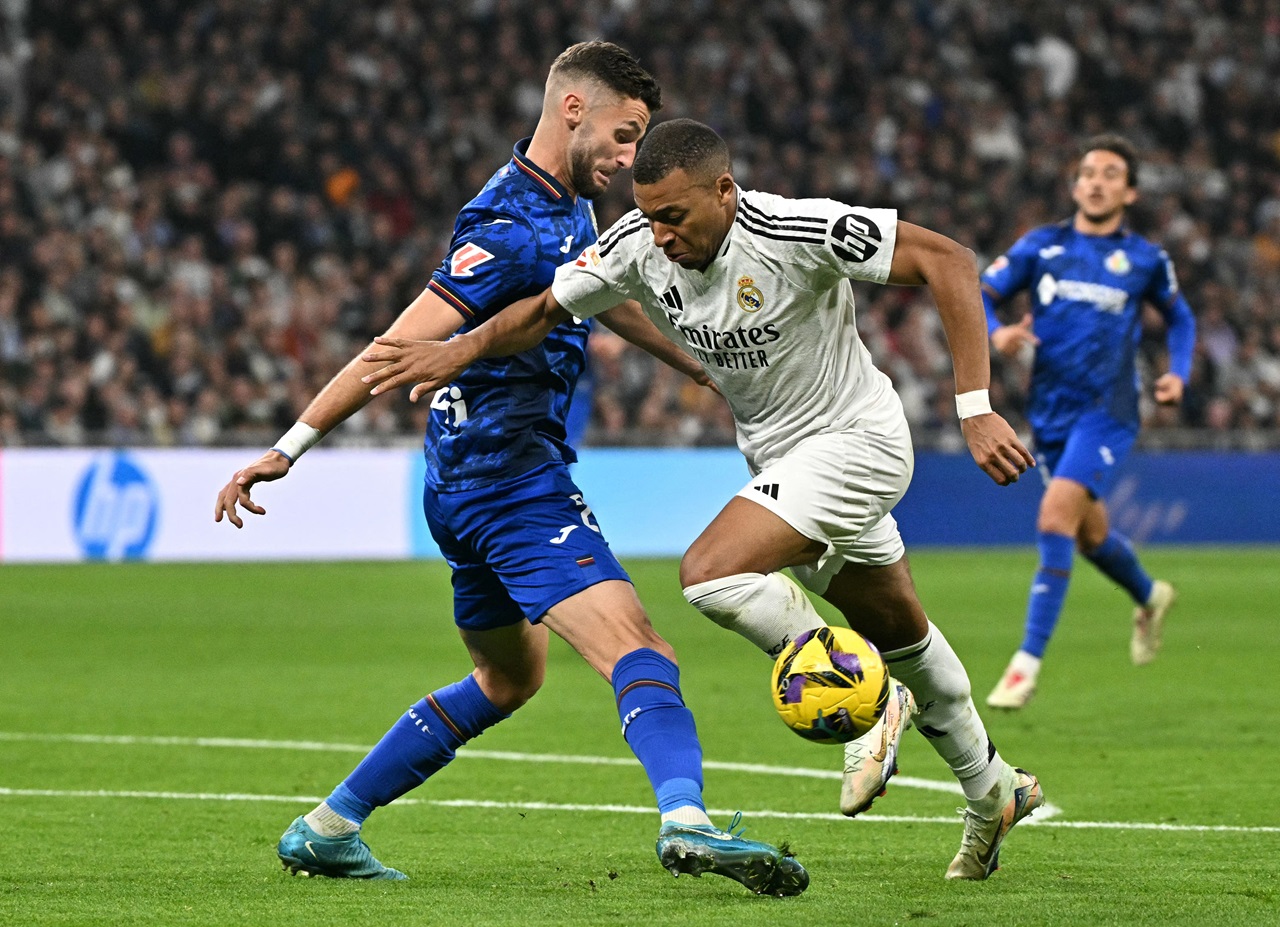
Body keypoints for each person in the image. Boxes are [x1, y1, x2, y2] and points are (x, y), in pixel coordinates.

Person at [361, 118, 1045, 881]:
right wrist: (456, 349)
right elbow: (546, 310)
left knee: (711, 573)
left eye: (674, 217)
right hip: (784, 459)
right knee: (903, 630)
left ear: (724, 191)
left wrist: (975, 405)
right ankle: (993, 789)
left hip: (859, 441)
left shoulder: (793, 228)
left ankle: (862, 690)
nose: (658, 235)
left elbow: (945, 258)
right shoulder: (633, 247)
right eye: (648, 214)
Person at [214, 47, 807, 896]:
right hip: (509, 481)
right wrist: (288, 448)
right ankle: (687, 819)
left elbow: (611, 298)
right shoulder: (508, 226)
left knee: (508, 676)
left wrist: (701, 367)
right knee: (641, 647)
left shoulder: (570, 210)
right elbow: (396, 346)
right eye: (624, 135)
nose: (630, 159)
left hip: (459, 486)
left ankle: (328, 827)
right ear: (573, 109)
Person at [980, 135, 1196, 710]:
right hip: (1050, 413)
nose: (1096, 181)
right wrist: (995, 331)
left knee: (1055, 517)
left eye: (1110, 173)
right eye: (1087, 173)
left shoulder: (1145, 259)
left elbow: (1180, 318)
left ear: (1130, 191)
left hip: (1109, 412)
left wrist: (1178, 373)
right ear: (1075, 186)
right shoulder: (1041, 246)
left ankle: (1025, 664)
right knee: (1091, 533)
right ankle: (1150, 596)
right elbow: (980, 291)